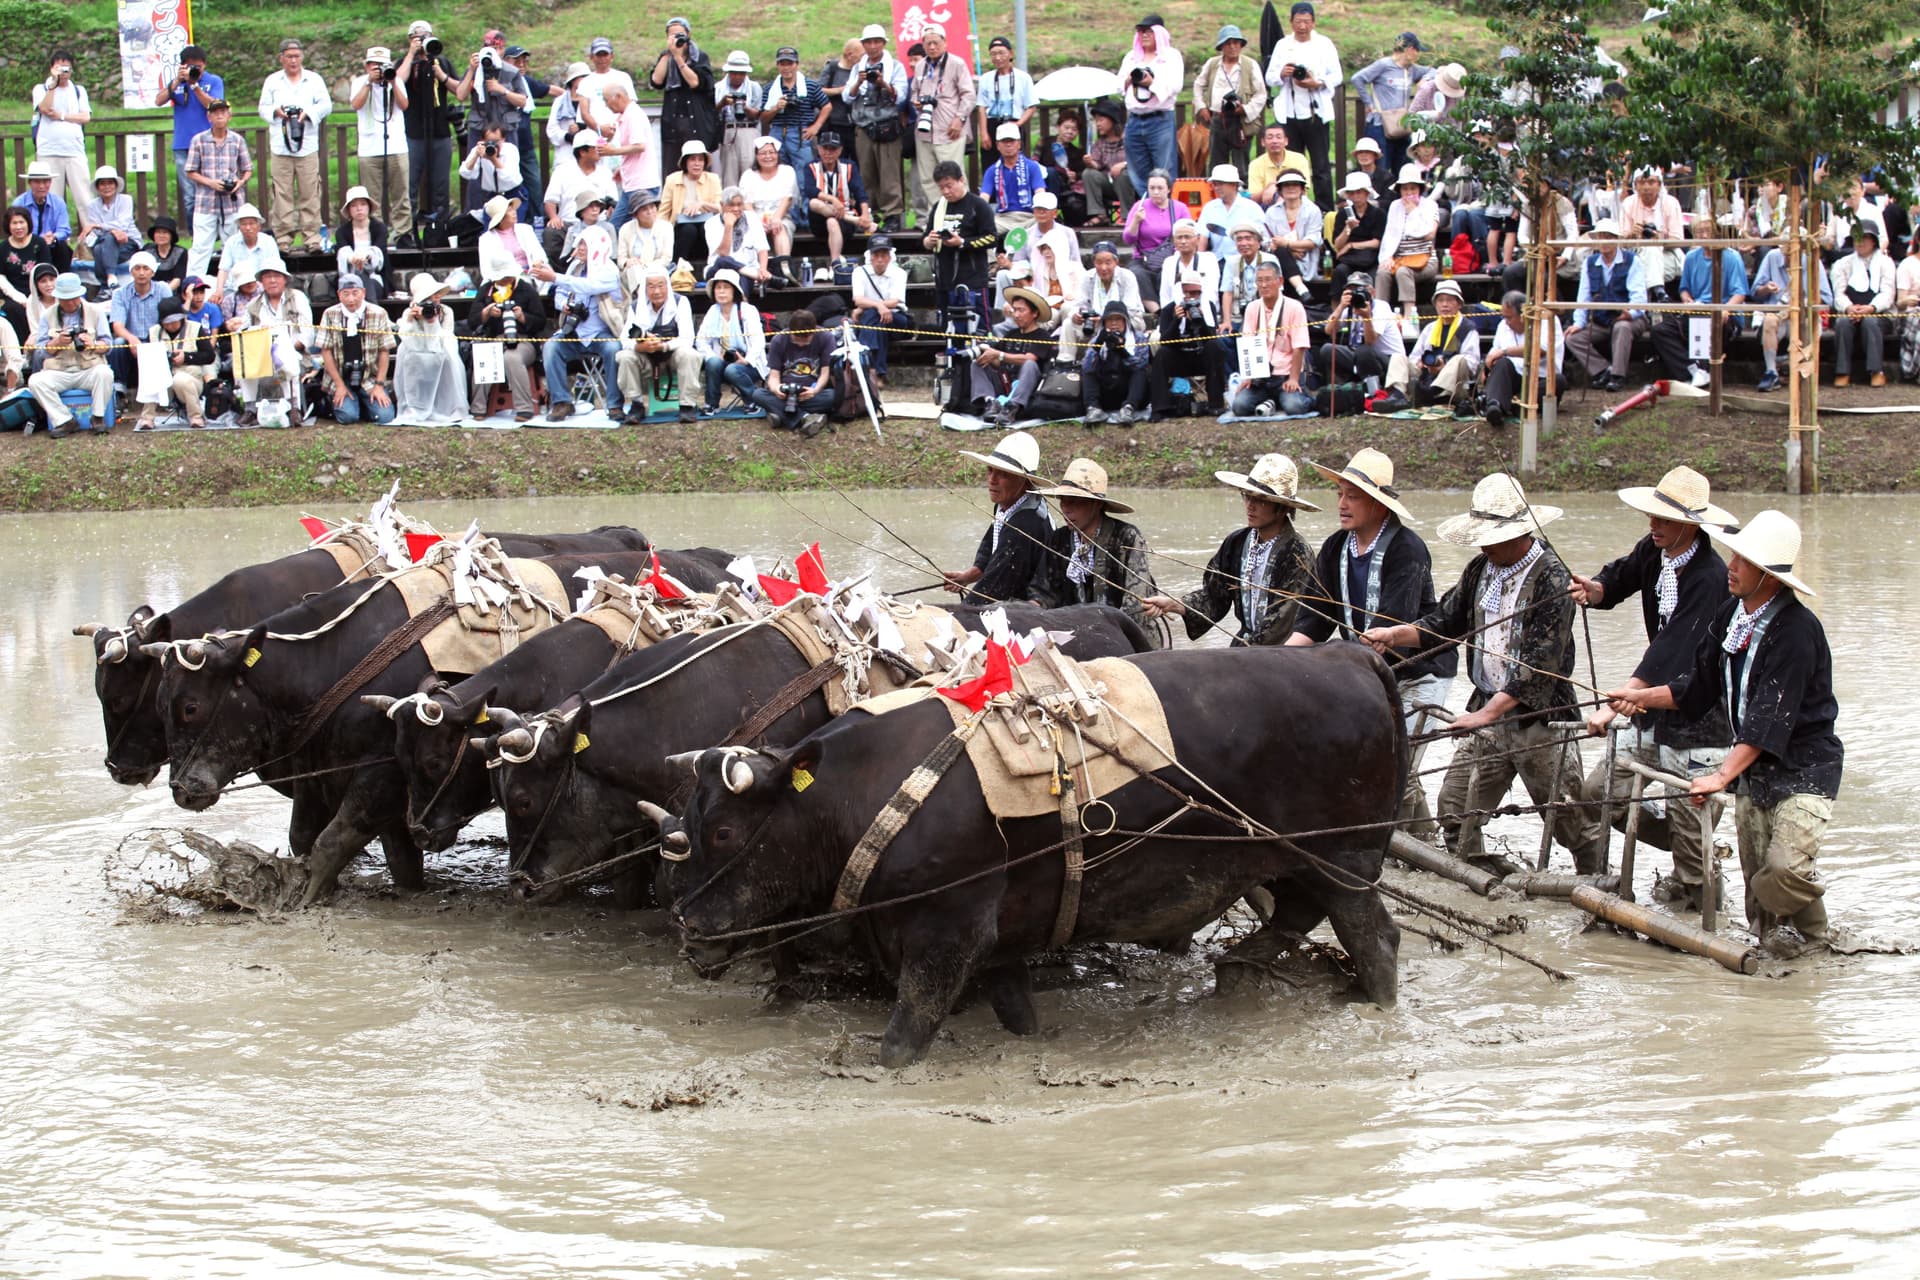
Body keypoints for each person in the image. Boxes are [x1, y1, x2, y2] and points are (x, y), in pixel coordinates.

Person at [1604, 511, 1843, 958]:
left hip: (1805, 768)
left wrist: (1719, 777)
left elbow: (1766, 720)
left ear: (1769, 577)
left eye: (1743, 562)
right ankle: (1790, 961)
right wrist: (1639, 697)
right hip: (1756, 769)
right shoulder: (1733, 614)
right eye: (1733, 556)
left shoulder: (1796, 631)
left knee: (1781, 870)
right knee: (1758, 891)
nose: (1730, 567)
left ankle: (1819, 940)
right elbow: (1697, 688)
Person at [1360, 474, 1604, 877]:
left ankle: (1599, 888)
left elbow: (1537, 668)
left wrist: (1485, 715)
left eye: (1493, 536)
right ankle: (1486, 885)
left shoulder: (1553, 579)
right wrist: (1393, 634)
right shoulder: (1481, 568)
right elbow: (1444, 622)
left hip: (1539, 721)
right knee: (1456, 810)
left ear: (1521, 532)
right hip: (1487, 712)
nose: (1484, 544)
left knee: (1570, 822)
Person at [1571, 468, 1737, 911]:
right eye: (1652, 515)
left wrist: (1618, 702)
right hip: (1653, 708)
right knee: (1599, 793)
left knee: (1692, 855)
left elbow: (1675, 647)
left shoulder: (1709, 576)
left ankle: (1704, 891)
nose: (1652, 525)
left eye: (1663, 519)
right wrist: (1596, 589)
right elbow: (1622, 576)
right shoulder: (1656, 550)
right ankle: (1691, 846)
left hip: (1699, 720)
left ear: (1691, 525)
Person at [1289, 448, 1455, 830]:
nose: (1342, 504)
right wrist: (1276, 661)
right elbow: (1315, 619)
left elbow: (1391, 630)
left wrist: (1338, 664)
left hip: (1418, 671)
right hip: (1363, 668)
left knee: (1396, 766)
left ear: (1379, 505)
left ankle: (1417, 844)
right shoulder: (1334, 548)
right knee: (1382, 768)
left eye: (1353, 496)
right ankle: (1422, 841)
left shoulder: (1407, 549)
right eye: (1340, 494)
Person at [1141, 453, 1318, 644]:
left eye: (1261, 500)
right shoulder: (1237, 542)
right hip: (1244, 645)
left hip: (1285, 650)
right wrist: (1175, 604)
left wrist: (1242, 654)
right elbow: (1214, 595)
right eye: (1247, 496)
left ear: (1282, 508)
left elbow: (1283, 618)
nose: (1250, 506)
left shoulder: (1297, 553)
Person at [1030, 458, 1159, 634]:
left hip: (1126, 637)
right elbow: (1043, 592)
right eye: (1063, 500)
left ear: (1096, 504)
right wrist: (1031, 610)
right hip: (1074, 634)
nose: (1065, 509)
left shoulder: (1126, 539)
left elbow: (1135, 602)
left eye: (1074, 501)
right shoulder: (1058, 541)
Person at [944, 430, 1053, 604]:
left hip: (1027, 609)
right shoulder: (1008, 504)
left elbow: (992, 590)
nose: (992, 480)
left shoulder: (1024, 526)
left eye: (1003, 474)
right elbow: (992, 548)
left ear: (1024, 481)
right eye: (990, 470)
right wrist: (968, 576)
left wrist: (960, 613)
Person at [1265, 2, 1343, 206]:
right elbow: (1270, 76)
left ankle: (1326, 209)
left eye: (1306, 22)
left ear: (1313, 22)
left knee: (1321, 166)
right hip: (1288, 113)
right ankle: (1293, 205)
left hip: (1315, 111)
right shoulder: (1282, 45)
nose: (1302, 26)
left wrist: (1317, 82)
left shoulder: (1324, 44)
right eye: (1298, 22)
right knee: (1293, 164)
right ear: (1291, 22)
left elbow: (1337, 75)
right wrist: (1283, 74)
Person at [257, 40, 332, 246]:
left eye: (296, 56)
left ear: (302, 57)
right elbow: (262, 108)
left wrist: (308, 113)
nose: (293, 60)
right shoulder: (272, 81)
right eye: (289, 56)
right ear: (281, 58)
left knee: (310, 192)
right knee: (282, 194)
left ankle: (312, 238)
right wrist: (276, 111)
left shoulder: (314, 79)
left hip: (307, 145)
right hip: (280, 146)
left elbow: (326, 105)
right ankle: (283, 239)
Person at [1650, 240, 1749, 388]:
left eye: (1708, 232)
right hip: (1696, 309)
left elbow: (1740, 293)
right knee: (1660, 330)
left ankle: (1703, 370)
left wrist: (1725, 309)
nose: (1704, 236)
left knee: (1702, 319)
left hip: (1725, 314)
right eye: (1701, 232)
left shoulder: (1732, 257)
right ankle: (1691, 370)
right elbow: (1684, 289)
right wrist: (1687, 300)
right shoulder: (1691, 257)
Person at [1565, 219, 1649, 392]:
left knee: (1623, 327)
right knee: (1573, 338)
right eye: (1601, 237)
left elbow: (1639, 297)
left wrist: (1630, 313)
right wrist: (1578, 323)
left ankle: (1618, 376)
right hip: (1602, 319)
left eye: (1608, 236)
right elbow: (1584, 297)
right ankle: (1603, 370)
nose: (1604, 241)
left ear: (1617, 239)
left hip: (1631, 318)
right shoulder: (1590, 262)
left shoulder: (1632, 260)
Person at [27, 272, 113, 437]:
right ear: (58, 298)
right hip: (60, 369)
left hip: (89, 367)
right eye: (66, 299)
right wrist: (57, 342)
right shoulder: (48, 315)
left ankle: (98, 417)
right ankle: (64, 420)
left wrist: (93, 345)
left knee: (105, 373)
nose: (71, 302)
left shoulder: (95, 311)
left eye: (75, 297)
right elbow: (41, 350)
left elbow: (108, 345)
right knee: (36, 381)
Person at [539, 254, 623, 420]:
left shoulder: (609, 268)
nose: (578, 250)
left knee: (614, 349)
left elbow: (588, 286)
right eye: (579, 244)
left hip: (601, 331)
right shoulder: (575, 267)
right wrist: (563, 304)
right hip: (574, 330)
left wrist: (555, 277)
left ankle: (614, 405)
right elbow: (561, 292)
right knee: (551, 347)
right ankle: (562, 402)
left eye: (584, 245)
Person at [614, 264, 700, 425]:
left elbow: (688, 337)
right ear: (645, 289)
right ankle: (636, 404)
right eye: (651, 286)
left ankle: (687, 406)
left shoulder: (681, 302)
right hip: (646, 357)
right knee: (624, 356)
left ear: (667, 285)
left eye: (661, 285)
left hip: (672, 356)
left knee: (690, 354)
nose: (657, 291)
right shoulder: (636, 307)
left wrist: (663, 345)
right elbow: (624, 339)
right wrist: (641, 346)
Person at [1227, 261, 1313, 417]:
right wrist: (1248, 376)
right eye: (1260, 280)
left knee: (1295, 406)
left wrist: (1293, 378)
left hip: (1285, 373)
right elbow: (1248, 342)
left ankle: (1293, 397)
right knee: (1239, 406)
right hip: (1261, 377)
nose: (1264, 285)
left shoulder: (1294, 307)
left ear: (1280, 281)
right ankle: (1271, 400)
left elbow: (1299, 346)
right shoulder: (1253, 308)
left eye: (1268, 280)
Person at [910, 25, 976, 224]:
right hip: (925, 130)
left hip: (950, 130)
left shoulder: (956, 64)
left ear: (944, 43)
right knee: (928, 179)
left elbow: (969, 94)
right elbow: (914, 91)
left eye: (935, 43)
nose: (931, 47)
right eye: (927, 43)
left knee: (954, 176)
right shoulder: (921, 65)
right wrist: (917, 101)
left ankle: (964, 219)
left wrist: (960, 118)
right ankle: (937, 221)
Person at [1382, 278, 1479, 411]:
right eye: (1440, 301)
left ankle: (1435, 393)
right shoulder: (1430, 328)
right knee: (1398, 357)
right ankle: (1398, 396)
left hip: (1453, 384)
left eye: (1450, 300)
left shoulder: (1466, 328)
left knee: (1459, 359)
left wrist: (1444, 366)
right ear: (1435, 305)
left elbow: (1472, 365)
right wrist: (1422, 364)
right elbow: (1414, 357)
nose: (1445, 305)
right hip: (1427, 376)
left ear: (1459, 304)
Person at [467, 261, 546, 422]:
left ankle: (524, 408)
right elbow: (472, 321)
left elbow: (541, 322)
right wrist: (487, 312)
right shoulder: (487, 289)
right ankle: (479, 407)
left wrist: (522, 317)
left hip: (523, 340)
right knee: (485, 357)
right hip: (493, 339)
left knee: (512, 358)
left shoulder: (526, 289)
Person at [923, 160, 996, 333]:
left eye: (949, 186)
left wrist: (962, 242)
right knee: (949, 330)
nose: (945, 191)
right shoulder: (939, 207)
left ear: (961, 180)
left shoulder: (978, 205)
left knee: (979, 329)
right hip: (944, 278)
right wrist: (929, 241)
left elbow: (991, 238)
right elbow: (925, 237)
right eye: (941, 187)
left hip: (972, 277)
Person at [400, 21, 460, 231]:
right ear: (410, 39)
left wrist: (441, 75)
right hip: (413, 132)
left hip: (440, 131)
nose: (424, 41)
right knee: (410, 184)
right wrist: (411, 54)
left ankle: (440, 229)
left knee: (441, 185)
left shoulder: (441, 61)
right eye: (418, 37)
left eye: (427, 36)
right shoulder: (406, 62)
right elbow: (397, 81)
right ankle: (407, 230)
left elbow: (459, 91)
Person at [182, 100, 251, 278]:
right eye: (215, 112)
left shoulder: (237, 140)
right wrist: (211, 182)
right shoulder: (198, 140)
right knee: (200, 247)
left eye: (223, 112)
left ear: (229, 115)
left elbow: (247, 169)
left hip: (232, 202)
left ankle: (235, 285)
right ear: (209, 116)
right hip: (206, 201)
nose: (219, 115)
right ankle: (192, 286)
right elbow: (190, 171)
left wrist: (239, 183)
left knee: (233, 244)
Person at [315, 271, 395, 424]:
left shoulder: (378, 313)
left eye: (355, 293)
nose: (351, 299)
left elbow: (385, 350)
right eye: (346, 294)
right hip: (341, 377)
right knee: (348, 417)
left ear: (363, 293)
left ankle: (366, 404)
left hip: (368, 377)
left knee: (385, 417)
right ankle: (346, 404)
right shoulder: (330, 314)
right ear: (339, 295)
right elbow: (325, 351)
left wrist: (379, 385)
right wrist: (338, 384)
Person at [157, 44, 223, 230]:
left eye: (198, 66)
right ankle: (197, 237)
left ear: (205, 65)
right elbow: (159, 100)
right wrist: (178, 81)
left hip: (209, 143)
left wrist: (195, 86)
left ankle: (215, 235)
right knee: (189, 196)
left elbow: (215, 105)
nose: (195, 69)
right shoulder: (179, 83)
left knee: (212, 191)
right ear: (183, 66)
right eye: (190, 66)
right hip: (183, 145)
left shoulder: (214, 81)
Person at [1749, 243, 1831, 393]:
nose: (1788, 257)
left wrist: (1804, 302)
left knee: (1808, 323)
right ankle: (1771, 372)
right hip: (1777, 314)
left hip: (1803, 314)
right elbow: (1755, 292)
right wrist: (1767, 288)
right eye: (1785, 253)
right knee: (1769, 320)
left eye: (1792, 253)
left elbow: (1827, 298)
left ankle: (1804, 371)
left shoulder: (1813, 261)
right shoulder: (1772, 257)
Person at [350, 46, 412, 240]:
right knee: (371, 196)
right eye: (374, 65)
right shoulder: (360, 82)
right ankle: (374, 233)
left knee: (401, 193)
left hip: (396, 145)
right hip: (369, 148)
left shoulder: (396, 81)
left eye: (382, 65)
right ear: (367, 66)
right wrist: (369, 82)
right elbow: (356, 104)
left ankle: (403, 233)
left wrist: (392, 81)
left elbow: (404, 105)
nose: (378, 68)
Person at [849, 26, 907, 232]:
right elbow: (848, 96)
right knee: (866, 173)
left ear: (883, 43)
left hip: (887, 126)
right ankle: (868, 213)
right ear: (863, 45)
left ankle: (892, 214)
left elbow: (900, 97)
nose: (873, 47)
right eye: (868, 43)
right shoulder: (858, 68)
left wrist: (883, 83)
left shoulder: (896, 67)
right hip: (864, 126)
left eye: (877, 42)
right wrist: (859, 81)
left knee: (890, 173)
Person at [1149, 268, 1229, 416]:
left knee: (1215, 347)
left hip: (1201, 356)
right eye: (1188, 293)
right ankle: (1160, 407)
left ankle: (1215, 403)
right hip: (1178, 356)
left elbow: (1211, 337)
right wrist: (1176, 321)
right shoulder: (1168, 310)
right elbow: (1165, 341)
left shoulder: (1208, 306)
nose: (1191, 297)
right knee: (1162, 354)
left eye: (1196, 293)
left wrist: (1201, 321)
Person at [1479, 289, 1562, 430]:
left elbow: (1540, 350)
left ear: (1523, 315)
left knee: (1558, 381)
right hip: (1513, 379)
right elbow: (1494, 351)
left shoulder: (1547, 321)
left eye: (1509, 318)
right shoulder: (1502, 326)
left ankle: (1516, 404)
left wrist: (1505, 352)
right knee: (1502, 364)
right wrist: (1487, 367)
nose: (1506, 322)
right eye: (1504, 317)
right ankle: (1495, 405)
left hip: (1541, 378)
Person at [1350, 32, 1430, 173]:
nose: (1418, 55)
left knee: (1404, 168)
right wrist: (1369, 103)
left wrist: (1425, 79)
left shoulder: (1411, 69)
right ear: (1410, 49)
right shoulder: (1384, 65)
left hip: (1401, 126)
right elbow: (1357, 78)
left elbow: (1433, 71)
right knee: (1382, 168)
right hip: (1380, 125)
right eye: (1417, 51)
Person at [134, 295, 217, 430]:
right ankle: (147, 419)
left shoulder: (195, 328)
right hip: (163, 378)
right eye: (167, 322)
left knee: (180, 379)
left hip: (190, 379)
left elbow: (209, 356)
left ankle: (196, 416)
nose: (171, 325)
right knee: (152, 379)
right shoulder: (154, 332)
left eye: (175, 321)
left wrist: (187, 357)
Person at [1194, 25, 1266, 179]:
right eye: (1228, 43)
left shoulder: (1250, 64)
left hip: (1240, 121)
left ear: (1241, 45)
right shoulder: (1213, 64)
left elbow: (1260, 94)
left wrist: (1245, 109)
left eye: (1236, 42)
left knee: (1242, 165)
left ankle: (1243, 196)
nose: (1232, 47)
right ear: (1222, 46)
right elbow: (1198, 85)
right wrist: (1201, 107)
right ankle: (1215, 198)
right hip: (1218, 118)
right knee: (1216, 163)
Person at [391, 273, 465, 424]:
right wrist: (413, 321)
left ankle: (449, 407)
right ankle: (413, 407)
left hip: (441, 351)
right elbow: (411, 342)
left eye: (436, 294)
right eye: (429, 296)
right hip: (418, 352)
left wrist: (432, 321)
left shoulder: (446, 311)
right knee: (405, 354)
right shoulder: (409, 313)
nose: (435, 298)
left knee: (451, 356)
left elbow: (446, 340)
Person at [693, 268, 767, 415]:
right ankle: (711, 404)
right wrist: (713, 356)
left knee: (732, 369)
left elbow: (758, 341)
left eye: (726, 288)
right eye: (718, 288)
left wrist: (746, 360)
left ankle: (754, 400)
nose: (721, 292)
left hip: (748, 363)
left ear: (735, 291)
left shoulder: (747, 310)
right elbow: (701, 341)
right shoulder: (712, 311)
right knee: (713, 363)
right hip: (722, 360)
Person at [1828, 225, 1895, 388]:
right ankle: (1842, 372)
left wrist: (1871, 308)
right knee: (1843, 323)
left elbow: (1887, 293)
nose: (1860, 242)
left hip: (1879, 313)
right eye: (1857, 238)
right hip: (1850, 311)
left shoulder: (1886, 263)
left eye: (1864, 238)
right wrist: (1849, 308)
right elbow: (1839, 293)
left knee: (1870, 322)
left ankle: (1876, 371)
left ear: (1873, 242)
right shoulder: (1842, 264)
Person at [1374, 164, 1439, 330]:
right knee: (1382, 271)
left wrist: (1413, 213)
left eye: (1413, 188)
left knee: (1403, 272)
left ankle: (1409, 317)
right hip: (1400, 258)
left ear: (1420, 189)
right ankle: (1380, 317)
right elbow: (1390, 236)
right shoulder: (1395, 206)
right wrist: (1387, 257)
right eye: (1405, 189)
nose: (1409, 193)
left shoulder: (1430, 205)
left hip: (1425, 259)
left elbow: (1429, 233)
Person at [1118, 16, 1182, 182]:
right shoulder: (1131, 57)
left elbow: (1175, 86)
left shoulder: (1171, 56)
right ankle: (1145, 204)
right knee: (1137, 171)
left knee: (1164, 169)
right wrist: (1129, 80)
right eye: (1141, 32)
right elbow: (1118, 86)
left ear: (1159, 34)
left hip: (1160, 119)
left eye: (1149, 32)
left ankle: (1164, 205)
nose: (1144, 35)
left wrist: (1152, 83)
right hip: (1134, 120)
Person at [649, 19, 720, 167]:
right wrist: (669, 54)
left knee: (697, 169)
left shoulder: (699, 57)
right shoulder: (666, 57)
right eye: (672, 35)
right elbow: (656, 80)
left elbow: (695, 82)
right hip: (673, 123)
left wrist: (678, 58)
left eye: (680, 34)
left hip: (695, 122)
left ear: (688, 35)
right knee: (672, 170)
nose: (676, 38)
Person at [1062, 240, 1144, 363]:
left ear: (1116, 262)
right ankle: (1065, 361)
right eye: (1099, 263)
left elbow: (1130, 309)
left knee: (1132, 321)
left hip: (1123, 321)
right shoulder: (1088, 277)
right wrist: (1076, 315)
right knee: (1068, 323)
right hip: (1094, 323)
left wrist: (1104, 319)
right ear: (1094, 262)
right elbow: (1078, 303)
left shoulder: (1127, 276)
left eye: (1108, 263)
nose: (1103, 268)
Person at [801, 134, 875, 263]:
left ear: (840, 150)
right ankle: (854, 220)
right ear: (818, 149)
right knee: (814, 203)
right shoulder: (811, 167)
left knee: (832, 222)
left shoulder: (849, 167)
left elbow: (860, 192)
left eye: (833, 149)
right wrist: (833, 200)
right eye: (825, 149)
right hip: (819, 220)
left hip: (844, 221)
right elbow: (810, 190)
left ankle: (835, 263)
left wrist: (864, 215)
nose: (828, 153)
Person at [30, 52, 92, 205]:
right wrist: (53, 84)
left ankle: (91, 229)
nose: (64, 72)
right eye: (59, 68)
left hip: (74, 149)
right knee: (51, 198)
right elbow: (44, 108)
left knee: (85, 197)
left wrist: (60, 115)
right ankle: (52, 229)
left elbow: (85, 117)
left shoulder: (78, 90)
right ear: (52, 68)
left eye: (67, 68)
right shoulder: (41, 88)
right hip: (48, 150)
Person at [758, 46, 831, 177]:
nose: (786, 68)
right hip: (777, 131)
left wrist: (816, 127)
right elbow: (763, 118)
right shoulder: (770, 88)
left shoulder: (810, 85)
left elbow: (826, 106)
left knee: (804, 174)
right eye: (782, 64)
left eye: (790, 64)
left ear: (796, 65)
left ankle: (805, 198)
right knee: (777, 172)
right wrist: (776, 108)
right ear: (778, 65)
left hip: (801, 132)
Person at [454, 43, 529, 169]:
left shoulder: (511, 72)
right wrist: (472, 70)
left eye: (497, 48)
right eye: (489, 48)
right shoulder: (473, 70)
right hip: (479, 128)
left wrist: (502, 90)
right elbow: (460, 95)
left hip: (506, 130)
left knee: (508, 169)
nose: (492, 53)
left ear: (503, 51)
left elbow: (522, 101)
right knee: (476, 171)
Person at [540, 134, 614, 260]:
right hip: (568, 224)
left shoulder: (605, 172)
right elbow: (550, 200)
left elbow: (612, 202)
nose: (599, 150)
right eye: (595, 148)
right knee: (551, 233)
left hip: (598, 223)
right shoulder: (563, 171)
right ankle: (560, 273)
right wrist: (553, 217)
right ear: (582, 151)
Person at [1321, 276, 1405, 385]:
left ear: (1372, 292)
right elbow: (1329, 330)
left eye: (1360, 289)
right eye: (1352, 290)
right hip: (1359, 355)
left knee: (1364, 350)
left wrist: (1366, 317)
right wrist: (1341, 307)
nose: (1356, 293)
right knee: (1327, 349)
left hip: (1388, 360)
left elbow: (1370, 341)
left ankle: (1373, 390)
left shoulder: (1381, 307)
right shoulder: (1350, 308)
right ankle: (1346, 388)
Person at [107, 250, 171, 393]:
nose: (141, 273)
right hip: (132, 341)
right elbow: (117, 325)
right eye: (137, 268)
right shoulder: (120, 293)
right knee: (118, 344)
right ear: (131, 272)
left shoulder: (163, 290)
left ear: (153, 272)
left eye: (145, 268)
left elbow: (171, 319)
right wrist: (131, 338)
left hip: (157, 338)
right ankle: (119, 388)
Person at [599, 84, 661, 232]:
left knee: (620, 227)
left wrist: (612, 151)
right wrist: (623, 168)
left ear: (618, 97)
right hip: (634, 183)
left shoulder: (634, 116)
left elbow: (640, 146)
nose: (606, 105)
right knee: (621, 227)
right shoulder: (626, 116)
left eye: (607, 100)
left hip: (641, 185)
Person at [1078, 300, 1151, 423]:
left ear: (1125, 321)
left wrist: (1122, 351)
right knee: (1087, 370)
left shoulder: (1139, 338)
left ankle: (1128, 409)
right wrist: (1098, 346)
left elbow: (1141, 363)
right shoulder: (1096, 339)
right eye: (1110, 319)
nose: (1114, 323)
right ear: (1104, 322)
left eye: (1118, 319)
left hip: (1129, 390)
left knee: (1140, 372)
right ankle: (1093, 409)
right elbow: (1087, 367)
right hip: (1106, 390)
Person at [850, 235, 908, 385]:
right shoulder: (859, 272)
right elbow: (858, 299)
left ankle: (866, 367)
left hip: (896, 318)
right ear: (870, 257)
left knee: (871, 315)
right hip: (876, 320)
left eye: (884, 255)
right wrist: (879, 306)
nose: (880, 260)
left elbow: (895, 302)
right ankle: (877, 373)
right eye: (876, 255)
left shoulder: (899, 273)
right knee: (878, 325)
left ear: (890, 257)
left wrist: (868, 307)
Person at [1618, 165, 1685, 294]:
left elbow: (1679, 240)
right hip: (1635, 255)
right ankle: (1658, 294)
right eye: (1642, 182)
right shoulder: (1628, 203)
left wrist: (1659, 240)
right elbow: (1621, 242)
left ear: (1659, 185)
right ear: (1635, 185)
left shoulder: (1670, 203)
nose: (1646, 187)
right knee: (1648, 254)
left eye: (1651, 182)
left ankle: (1654, 298)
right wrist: (1632, 234)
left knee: (1649, 255)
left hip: (1667, 256)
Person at [740, 139, 799, 285]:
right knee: (752, 232)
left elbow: (788, 198)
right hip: (754, 216)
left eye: (771, 153)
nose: (768, 156)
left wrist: (776, 218)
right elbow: (746, 204)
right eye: (763, 153)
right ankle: (755, 273)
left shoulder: (787, 171)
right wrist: (757, 222)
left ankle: (783, 270)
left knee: (780, 229)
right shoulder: (748, 175)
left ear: (778, 154)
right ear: (757, 156)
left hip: (781, 215)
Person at [505, 47, 554, 218]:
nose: (521, 65)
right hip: (506, 147)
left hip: (525, 146)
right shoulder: (501, 83)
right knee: (510, 188)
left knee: (534, 185)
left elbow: (548, 90)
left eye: (524, 61)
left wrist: (573, 97)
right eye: (516, 61)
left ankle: (537, 223)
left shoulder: (526, 82)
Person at [79, 166, 141, 295]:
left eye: (110, 183)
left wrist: (100, 226)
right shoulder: (92, 205)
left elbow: (122, 225)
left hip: (127, 242)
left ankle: (106, 283)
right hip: (105, 243)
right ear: (97, 187)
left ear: (116, 185)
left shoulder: (126, 200)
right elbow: (97, 232)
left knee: (105, 242)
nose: (106, 187)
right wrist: (111, 230)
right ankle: (109, 281)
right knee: (101, 245)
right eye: (102, 183)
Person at [660, 140, 724, 265]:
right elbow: (664, 211)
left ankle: (711, 265)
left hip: (706, 228)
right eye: (692, 159)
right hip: (681, 229)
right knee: (689, 230)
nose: (697, 164)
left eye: (700, 159)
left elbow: (721, 208)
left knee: (705, 228)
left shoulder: (713, 179)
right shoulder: (672, 180)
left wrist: (702, 204)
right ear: (685, 162)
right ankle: (676, 266)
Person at [980, 123, 1048, 236]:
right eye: (1004, 142)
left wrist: (1041, 211)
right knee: (981, 229)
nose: (1008, 145)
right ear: (998, 145)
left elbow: (1040, 193)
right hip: (1003, 218)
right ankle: (993, 255)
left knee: (1044, 224)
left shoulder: (1032, 167)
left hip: (1029, 217)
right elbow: (983, 198)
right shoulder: (992, 171)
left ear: (1019, 144)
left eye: (1012, 141)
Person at [1121, 170, 1177, 302]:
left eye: (1160, 188)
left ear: (1168, 189)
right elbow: (1127, 239)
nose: (1156, 192)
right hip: (1143, 258)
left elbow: (1187, 233)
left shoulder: (1179, 208)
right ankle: (1156, 311)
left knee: (1169, 273)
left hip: (1170, 256)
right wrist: (1136, 221)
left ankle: (1167, 306)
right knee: (1136, 274)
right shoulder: (1139, 207)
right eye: (1152, 188)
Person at [974, 35, 1036, 151]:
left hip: (1014, 123)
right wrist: (983, 133)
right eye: (993, 54)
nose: (997, 57)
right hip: (992, 124)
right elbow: (982, 107)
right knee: (990, 163)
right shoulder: (985, 79)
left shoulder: (1023, 78)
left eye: (1001, 53)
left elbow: (1031, 107)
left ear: (1010, 54)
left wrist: (1018, 124)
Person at [1328, 171, 1384, 295]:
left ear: (1367, 193)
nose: (1356, 196)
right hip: (1349, 260)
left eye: (1359, 192)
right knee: (1339, 271)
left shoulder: (1378, 214)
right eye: (1352, 193)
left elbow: (1377, 242)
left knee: (1375, 276)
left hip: (1371, 259)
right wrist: (1347, 228)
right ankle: (1337, 310)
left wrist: (1351, 245)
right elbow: (1337, 244)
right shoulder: (1343, 214)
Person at [715, 52, 765, 186]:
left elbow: (758, 114)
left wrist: (744, 107)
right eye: (734, 72)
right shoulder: (719, 88)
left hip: (749, 129)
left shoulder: (754, 88)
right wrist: (723, 103)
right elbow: (712, 114)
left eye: (741, 73)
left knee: (750, 173)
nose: (737, 76)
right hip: (728, 131)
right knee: (728, 175)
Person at [13, 163, 74, 273]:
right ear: (30, 183)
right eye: (37, 182)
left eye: (45, 181)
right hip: (27, 245)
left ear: (50, 182)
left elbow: (64, 229)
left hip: (52, 245)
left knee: (63, 249)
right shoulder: (19, 203)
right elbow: (15, 229)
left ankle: (61, 282)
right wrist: (39, 240)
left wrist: (53, 237)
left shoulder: (58, 202)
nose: (42, 186)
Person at [0, 210, 50, 343]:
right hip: (12, 292)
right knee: (12, 309)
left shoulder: (39, 243)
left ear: (28, 223)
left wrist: (34, 295)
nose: (18, 227)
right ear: (8, 226)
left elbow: (45, 270)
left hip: (38, 289)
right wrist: (17, 296)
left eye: (21, 222)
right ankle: (22, 350)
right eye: (14, 223)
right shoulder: (3, 248)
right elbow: (1, 277)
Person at [1081, 99, 1135, 222]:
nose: (1098, 124)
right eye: (1096, 121)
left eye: (1101, 120)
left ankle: (1127, 217)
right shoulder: (1100, 143)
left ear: (1112, 120)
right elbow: (1097, 166)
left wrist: (1123, 164)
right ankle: (1099, 215)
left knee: (1123, 175)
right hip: (1109, 184)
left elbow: (1139, 160)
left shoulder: (1129, 138)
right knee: (1088, 173)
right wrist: (1090, 162)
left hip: (1129, 183)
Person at [706, 187, 772, 287]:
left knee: (744, 278)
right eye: (731, 205)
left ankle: (743, 301)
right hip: (719, 270)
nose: (736, 209)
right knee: (723, 261)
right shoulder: (711, 223)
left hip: (749, 270)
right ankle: (757, 276)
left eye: (739, 204)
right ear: (722, 205)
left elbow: (762, 248)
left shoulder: (752, 218)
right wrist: (729, 226)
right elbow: (723, 253)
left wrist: (763, 269)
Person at [333, 186, 389, 302]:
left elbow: (378, 254)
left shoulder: (380, 228)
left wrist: (366, 258)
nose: (359, 209)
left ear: (369, 207)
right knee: (352, 286)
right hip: (348, 279)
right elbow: (343, 253)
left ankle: (371, 316)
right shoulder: (342, 232)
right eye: (354, 205)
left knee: (364, 279)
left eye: (363, 204)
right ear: (349, 210)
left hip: (374, 278)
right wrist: (353, 259)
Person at [214, 204, 279, 304]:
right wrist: (219, 290)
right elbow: (223, 269)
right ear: (239, 227)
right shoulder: (231, 242)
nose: (248, 228)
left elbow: (275, 269)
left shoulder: (269, 242)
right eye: (244, 224)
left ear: (258, 226)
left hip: (262, 290)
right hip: (235, 289)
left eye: (252, 223)